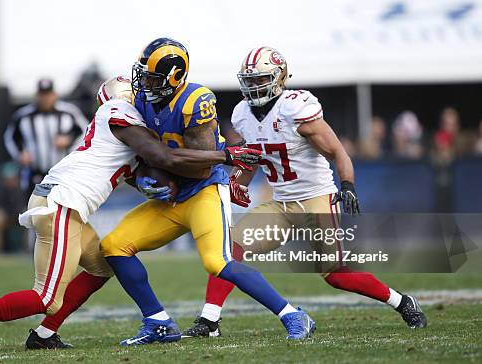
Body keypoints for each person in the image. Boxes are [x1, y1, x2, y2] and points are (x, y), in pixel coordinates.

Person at [0, 76, 260, 353]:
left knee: (102, 266)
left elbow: (143, 171)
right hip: (61, 203)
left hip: (64, 202)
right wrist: (225, 156)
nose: (142, 97)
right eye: (134, 92)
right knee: (46, 296)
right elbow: (162, 156)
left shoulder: (125, 134)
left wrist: (159, 185)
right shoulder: (118, 113)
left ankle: (45, 335)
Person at [181, 47, 427, 339]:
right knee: (230, 250)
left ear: (278, 78)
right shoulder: (243, 115)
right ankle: (210, 322)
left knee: (335, 275)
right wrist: (237, 182)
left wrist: (347, 185)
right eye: (250, 80)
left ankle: (402, 301)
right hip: (281, 203)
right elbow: (252, 159)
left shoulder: (296, 108)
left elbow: (338, 152)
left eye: (260, 79)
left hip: (316, 199)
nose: (254, 86)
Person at [100, 38, 315, 347]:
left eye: (153, 78)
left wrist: (165, 166)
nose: (145, 84)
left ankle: (293, 315)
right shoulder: (143, 102)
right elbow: (140, 159)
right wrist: (147, 179)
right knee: (114, 245)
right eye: (144, 76)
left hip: (203, 191)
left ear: (175, 78)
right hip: (172, 198)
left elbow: (199, 168)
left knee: (218, 261)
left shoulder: (195, 101)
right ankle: (158, 322)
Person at [4, 78, 90, 195]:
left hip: (64, 172)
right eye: (42, 95)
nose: (45, 99)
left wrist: (69, 141)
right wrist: (20, 154)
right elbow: (10, 138)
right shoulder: (23, 116)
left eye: (48, 95)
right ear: (36, 96)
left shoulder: (69, 112)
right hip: (34, 172)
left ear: (54, 95)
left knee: (63, 206)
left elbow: (86, 132)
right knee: (35, 207)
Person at [0, 162, 28, 253]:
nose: (10, 181)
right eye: (8, 179)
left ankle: (27, 249)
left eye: (13, 178)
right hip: (4, 215)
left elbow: (23, 204)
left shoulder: (21, 187)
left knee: (29, 215)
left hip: (17, 214)